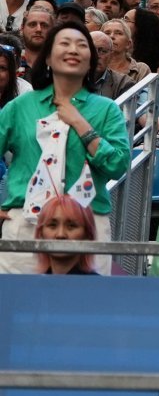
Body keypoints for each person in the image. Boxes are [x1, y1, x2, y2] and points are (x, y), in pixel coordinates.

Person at [0, 19, 131, 273]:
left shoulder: (107, 110)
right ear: (48, 58)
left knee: (84, 309)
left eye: (82, 45)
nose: (73, 49)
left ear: (90, 60)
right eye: (64, 43)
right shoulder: (20, 107)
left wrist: (81, 125)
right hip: (24, 226)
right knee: (18, 309)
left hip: (88, 223)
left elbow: (117, 165)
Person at [32, 193, 99, 276]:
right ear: (40, 233)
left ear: (88, 234)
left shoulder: (100, 286)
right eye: (52, 225)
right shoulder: (33, 285)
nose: (60, 235)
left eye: (71, 226)